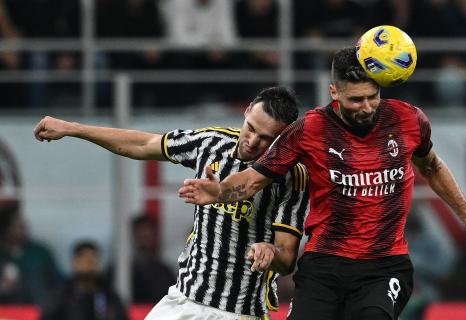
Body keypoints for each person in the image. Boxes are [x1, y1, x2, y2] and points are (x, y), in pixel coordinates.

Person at [179, 47, 466, 320]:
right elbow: (253, 180)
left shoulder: (408, 119)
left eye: (372, 96)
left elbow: (432, 167)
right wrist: (220, 190)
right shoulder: (309, 130)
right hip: (324, 265)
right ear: (334, 92)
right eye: (355, 100)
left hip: (384, 265)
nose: (366, 107)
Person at [33, 86, 310, 319]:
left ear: (284, 138)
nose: (252, 141)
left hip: (238, 311)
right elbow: (143, 145)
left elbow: (286, 259)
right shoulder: (211, 143)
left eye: (266, 138)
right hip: (183, 301)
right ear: (247, 110)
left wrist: (269, 252)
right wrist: (73, 128)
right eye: (251, 129)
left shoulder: (291, 176)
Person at [41, 240, 129, 320]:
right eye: (85, 259)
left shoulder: (109, 295)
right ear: (75, 263)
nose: (90, 263)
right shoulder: (61, 295)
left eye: (93, 259)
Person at [0, 201, 61, 305]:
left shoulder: (40, 252)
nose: (24, 228)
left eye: (24, 224)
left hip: (40, 309)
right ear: (6, 229)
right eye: (17, 226)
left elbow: (58, 281)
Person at [130, 214, 176, 304]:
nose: (144, 242)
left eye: (147, 237)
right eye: (140, 237)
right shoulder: (122, 271)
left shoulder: (165, 272)